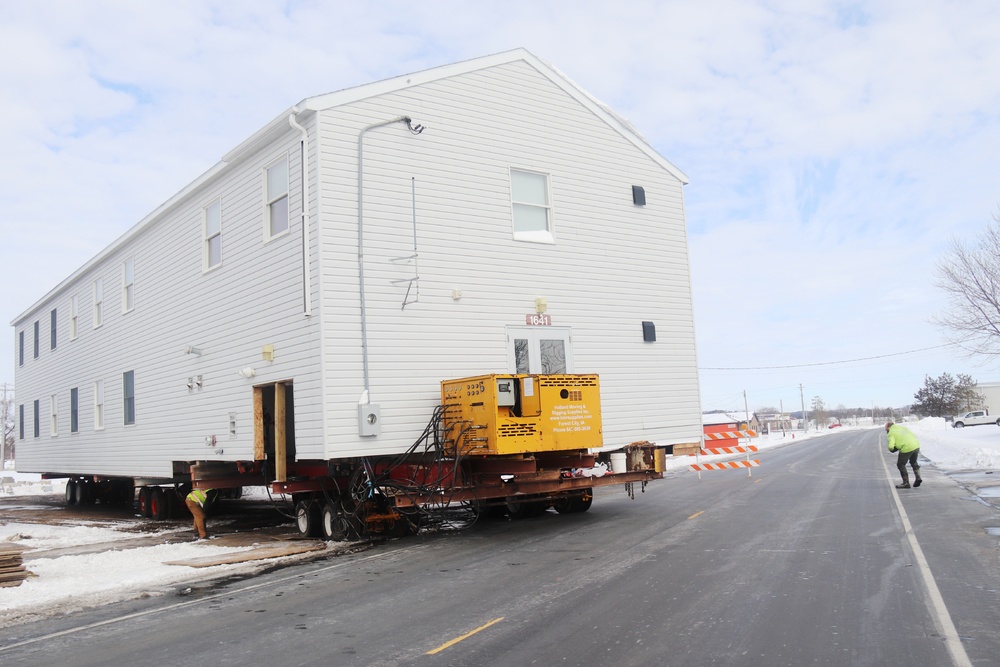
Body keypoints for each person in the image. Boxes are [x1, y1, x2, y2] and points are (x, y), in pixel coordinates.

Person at [885, 421, 922, 489]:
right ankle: (918, 477)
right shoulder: (903, 428)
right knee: (913, 462)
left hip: (906, 448)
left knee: (901, 464)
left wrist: (892, 449)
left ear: (888, 427)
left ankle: (906, 483)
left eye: (886, 429)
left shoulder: (891, 433)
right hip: (916, 445)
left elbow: (891, 447)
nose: (886, 430)